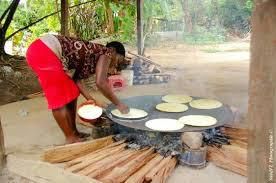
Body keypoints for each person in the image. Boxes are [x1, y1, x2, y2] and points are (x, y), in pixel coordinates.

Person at [26, 34, 130, 144]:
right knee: (58, 98)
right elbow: (101, 82)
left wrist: (91, 100)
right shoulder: (106, 52)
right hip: (44, 50)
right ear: (113, 51)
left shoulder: (91, 56)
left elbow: (77, 80)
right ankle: (70, 137)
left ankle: (74, 132)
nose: (117, 64)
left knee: (72, 92)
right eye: (120, 59)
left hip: (41, 50)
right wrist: (119, 104)